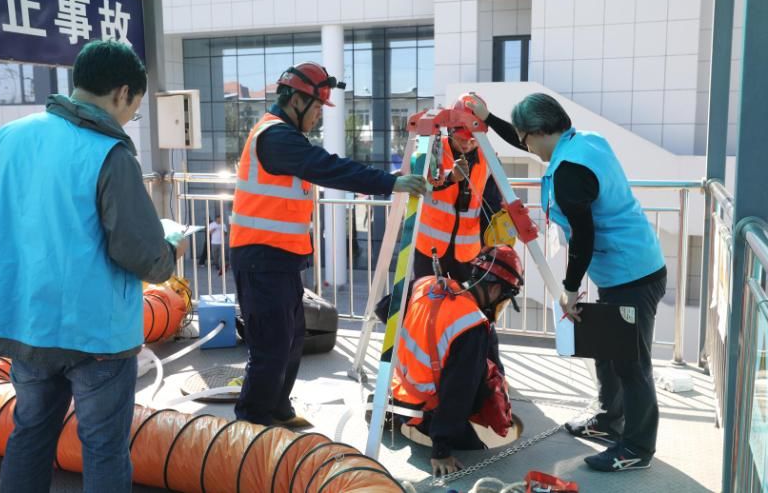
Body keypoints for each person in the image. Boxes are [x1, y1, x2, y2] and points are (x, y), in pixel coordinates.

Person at [0, 40, 185, 492]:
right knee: (103, 447)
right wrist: (171, 247)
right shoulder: (109, 152)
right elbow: (144, 257)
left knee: (30, 433)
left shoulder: (6, 139)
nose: (132, 116)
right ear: (123, 93)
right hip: (95, 334)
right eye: (136, 106)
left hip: (26, 322)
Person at [229, 61, 426, 427]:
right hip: (260, 259)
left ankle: (277, 409)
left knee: (291, 340)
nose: (319, 116)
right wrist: (391, 182)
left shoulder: (286, 138)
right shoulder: (276, 138)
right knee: (270, 347)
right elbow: (330, 167)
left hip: (279, 260)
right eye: (318, 107)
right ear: (297, 101)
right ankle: (251, 426)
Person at [499, 93, 667, 472]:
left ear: (540, 132)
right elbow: (519, 136)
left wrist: (569, 290)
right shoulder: (584, 141)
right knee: (607, 347)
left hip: (632, 275)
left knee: (631, 363)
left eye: (525, 139)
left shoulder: (569, 173)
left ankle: (637, 448)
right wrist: (486, 118)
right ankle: (609, 417)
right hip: (625, 267)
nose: (524, 146)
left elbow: (584, 237)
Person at [391, 245, 524, 477]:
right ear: (493, 290)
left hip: (398, 392)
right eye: (503, 299)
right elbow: (458, 391)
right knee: (481, 458)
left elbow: (386, 309)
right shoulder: (471, 325)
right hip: (427, 411)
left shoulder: (425, 285)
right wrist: (441, 450)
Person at [414, 93, 503, 284]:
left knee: (464, 305)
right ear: (450, 130)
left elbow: (492, 205)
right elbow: (420, 183)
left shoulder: (490, 159)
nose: (466, 143)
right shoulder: (432, 149)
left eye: (472, 140)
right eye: (462, 138)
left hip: (467, 253)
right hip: (429, 248)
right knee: (425, 300)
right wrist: (450, 178)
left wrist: (491, 242)